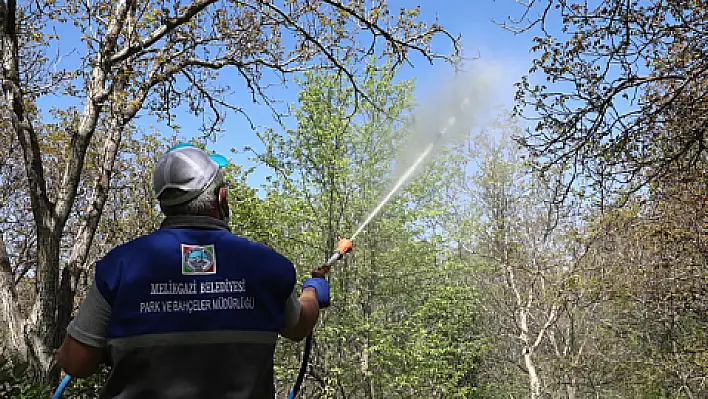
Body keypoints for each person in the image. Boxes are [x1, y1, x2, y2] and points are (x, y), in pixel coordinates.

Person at [57, 143, 330, 398]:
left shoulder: (120, 266)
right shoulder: (269, 267)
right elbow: (298, 327)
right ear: (221, 197)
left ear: (164, 205)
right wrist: (312, 290)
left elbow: (75, 363)